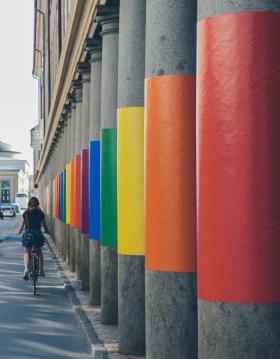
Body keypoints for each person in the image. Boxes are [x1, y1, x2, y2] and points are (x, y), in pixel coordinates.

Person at [17, 197, 50, 280]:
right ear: (37, 205)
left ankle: (26, 269)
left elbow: (21, 227)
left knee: (26, 251)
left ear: (29, 204)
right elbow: (45, 226)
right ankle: (41, 270)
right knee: (39, 252)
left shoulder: (26, 214)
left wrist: (18, 232)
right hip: (37, 234)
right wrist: (47, 231)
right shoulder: (41, 214)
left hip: (28, 235)